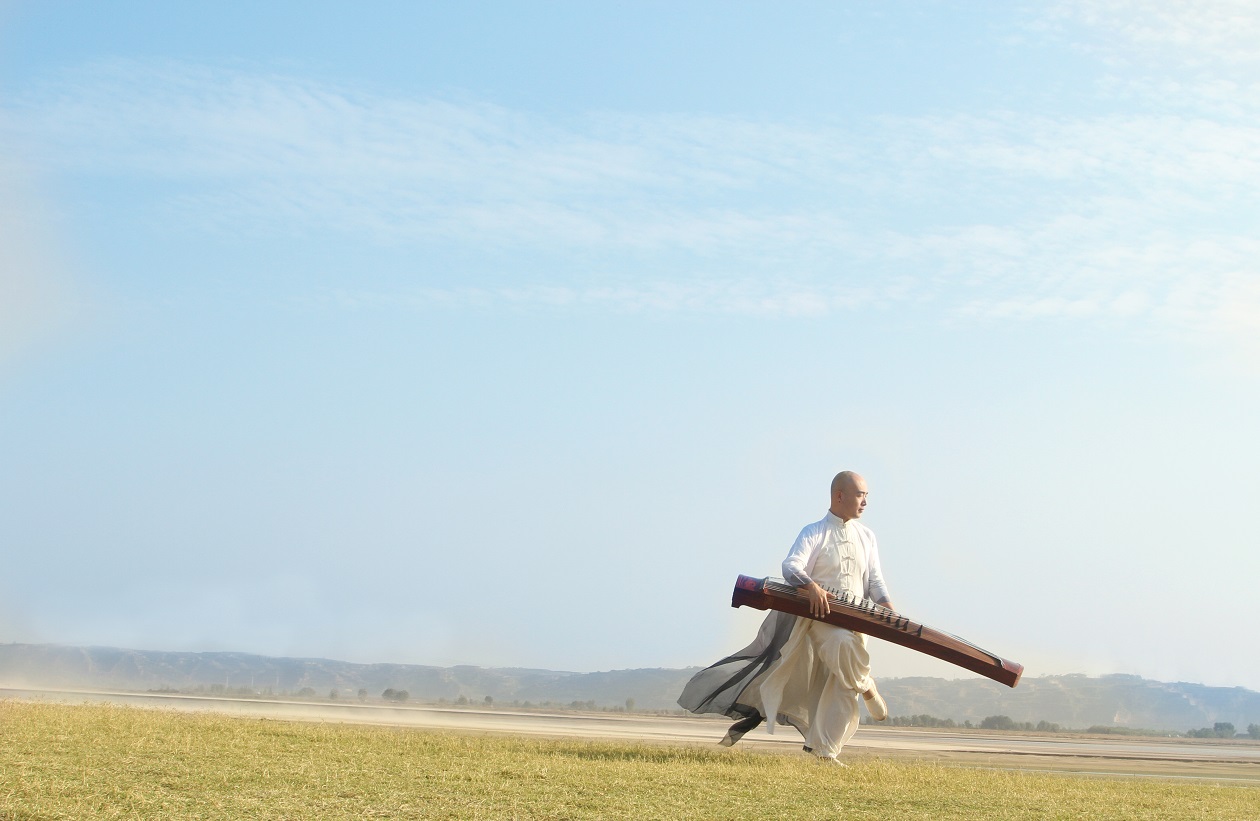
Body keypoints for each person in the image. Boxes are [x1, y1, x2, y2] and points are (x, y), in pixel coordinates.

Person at [678, 470, 896, 764]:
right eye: (860, 495)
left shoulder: (867, 537)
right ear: (840, 496)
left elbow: (875, 582)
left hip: (859, 620)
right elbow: (791, 566)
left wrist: (888, 607)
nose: (866, 501)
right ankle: (867, 683)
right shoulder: (814, 531)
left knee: (842, 686)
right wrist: (811, 587)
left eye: (867, 495)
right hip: (822, 620)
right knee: (844, 646)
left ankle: (822, 752)